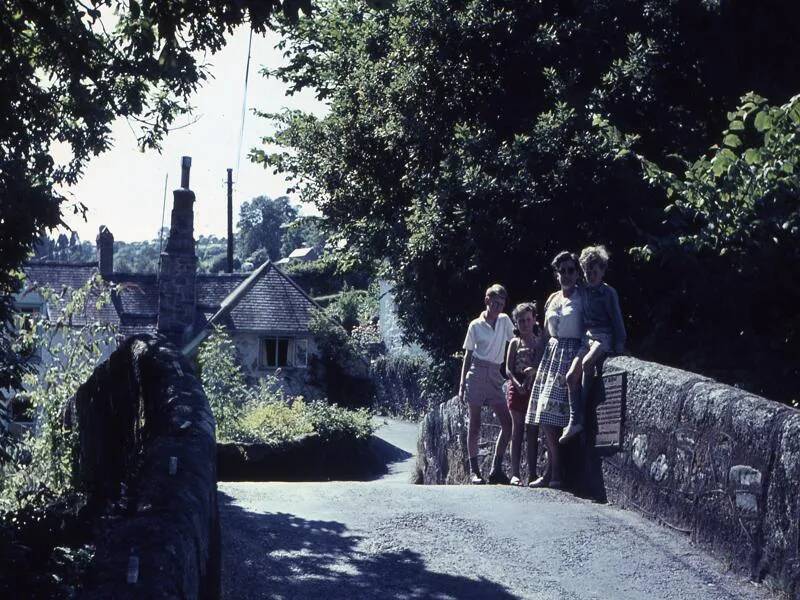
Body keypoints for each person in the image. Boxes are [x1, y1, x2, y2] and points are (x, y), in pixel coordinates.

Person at [525, 252, 584, 488]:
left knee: (557, 414)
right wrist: (536, 365)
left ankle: (556, 472)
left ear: (578, 273)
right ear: (557, 274)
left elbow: (590, 327)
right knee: (545, 415)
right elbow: (546, 336)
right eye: (563, 271)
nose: (567, 275)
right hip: (551, 357)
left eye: (571, 270)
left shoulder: (583, 297)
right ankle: (553, 471)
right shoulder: (552, 299)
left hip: (571, 354)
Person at [560, 245, 627, 444]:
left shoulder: (608, 293)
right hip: (587, 337)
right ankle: (574, 421)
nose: (591, 274)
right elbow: (566, 279)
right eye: (587, 270)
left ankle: (582, 414)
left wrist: (619, 345)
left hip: (603, 337)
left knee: (588, 363)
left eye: (595, 270)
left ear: (603, 271)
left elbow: (617, 320)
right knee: (571, 376)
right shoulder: (583, 290)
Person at [458, 284, 515, 485]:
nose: (498, 308)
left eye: (502, 304)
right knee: (475, 423)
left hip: (495, 374)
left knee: (507, 423)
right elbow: (468, 355)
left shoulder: (505, 320)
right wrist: (462, 385)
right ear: (487, 301)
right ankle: (474, 471)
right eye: (495, 303)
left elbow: (514, 343)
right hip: (477, 372)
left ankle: (495, 469)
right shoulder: (475, 325)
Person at [505, 302, 545, 486]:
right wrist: (516, 384)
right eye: (521, 321)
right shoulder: (514, 342)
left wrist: (533, 374)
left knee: (532, 430)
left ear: (534, 320)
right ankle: (514, 473)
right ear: (516, 323)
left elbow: (541, 366)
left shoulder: (539, 342)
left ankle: (532, 473)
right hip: (517, 387)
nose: (525, 324)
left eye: (528, 320)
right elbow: (507, 369)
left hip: (533, 387)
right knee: (517, 430)